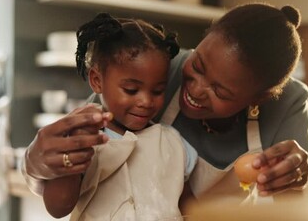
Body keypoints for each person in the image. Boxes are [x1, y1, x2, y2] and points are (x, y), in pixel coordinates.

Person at [23, 2, 308, 214]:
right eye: (199, 65)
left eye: (220, 91)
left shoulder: (288, 103)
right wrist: (39, 161)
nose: (196, 89)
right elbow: (61, 173)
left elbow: (304, 210)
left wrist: (297, 182)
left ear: (258, 99)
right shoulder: (158, 69)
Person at [39, 13, 198, 220]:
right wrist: (74, 152)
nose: (146, 101)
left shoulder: (173, 144)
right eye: (131, 90)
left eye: (158, 91)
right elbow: (57, 207)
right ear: (97, 80)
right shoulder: (86, 140)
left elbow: (192, 209)